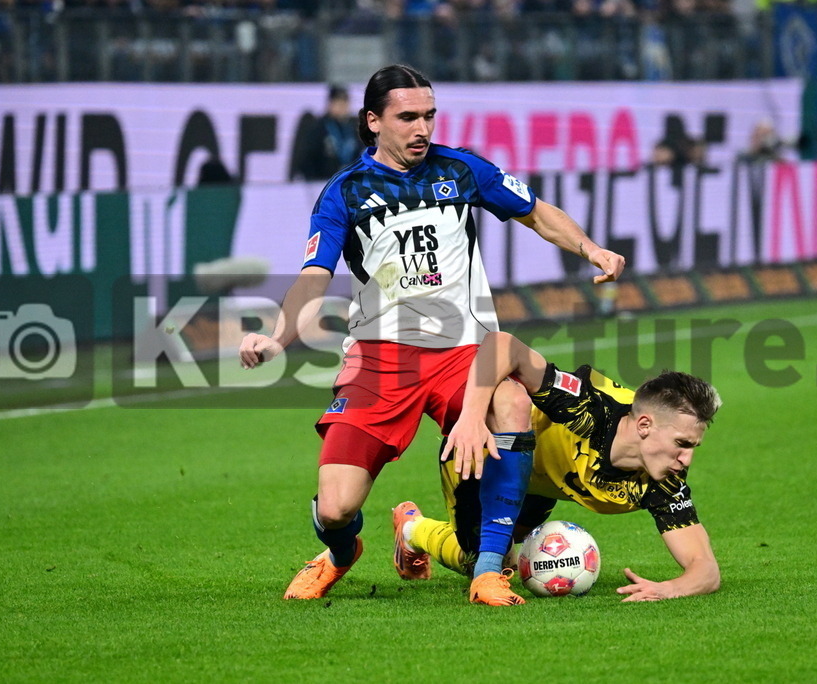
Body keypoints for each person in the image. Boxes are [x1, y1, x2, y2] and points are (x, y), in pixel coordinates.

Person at [238, 64, 625, 605]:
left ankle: (489, 571)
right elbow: (313, 276)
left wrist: (591, 249)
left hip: (462, 351)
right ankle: (340, 553)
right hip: (380, 360)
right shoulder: (345, 193)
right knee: (335, 507)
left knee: (510, 401)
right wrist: (278, 338)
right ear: (374, 121)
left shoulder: (462, 170)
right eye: (407, 117)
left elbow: (537, 213)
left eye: (429, 116)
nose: (422, 128)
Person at [391, 330, 722, 603]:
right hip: (489, 452)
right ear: (645, 425)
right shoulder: (588, 409)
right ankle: (411, 529)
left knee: (500, 559)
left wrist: (668, 589)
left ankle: (435, 534)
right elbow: (502, 344)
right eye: (682, 444)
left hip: (546, 484)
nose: (687, 459)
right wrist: (472, 418)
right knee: (477, 561)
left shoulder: (664, 481)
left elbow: (705, 569)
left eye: (693, 447)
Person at [292, 84, 362, 181]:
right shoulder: (319, 128)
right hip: (323, 184)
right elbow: (306, 159)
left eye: (344, 103)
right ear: (330, 104)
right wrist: (313, 181)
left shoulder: (354, 128)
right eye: (338, 103)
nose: (342, 107)